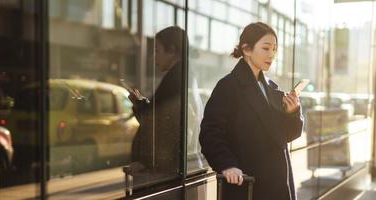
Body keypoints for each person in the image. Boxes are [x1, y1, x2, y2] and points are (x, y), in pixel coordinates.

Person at [199, 22, 303, 200]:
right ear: (246, 49)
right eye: (266, 48)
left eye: (274, 49)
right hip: (248, 184)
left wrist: (292, 112)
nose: (271, 55)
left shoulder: (270, 87)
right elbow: (210, 134)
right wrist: (227, 165)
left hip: (277, 184)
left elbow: (286, 136)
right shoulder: (228, 86)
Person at [129, 26, 186, 179]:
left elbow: (159, 124)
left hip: (159, 173)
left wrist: (146, 164)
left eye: (157, 50)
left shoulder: (175, 80)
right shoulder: (180, 76)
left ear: (172, 50)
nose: (154, 57)